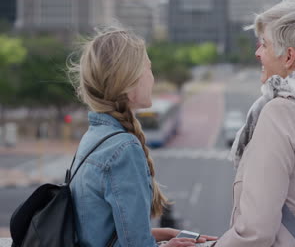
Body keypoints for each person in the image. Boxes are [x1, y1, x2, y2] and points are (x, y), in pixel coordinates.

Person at [67, 27, 217, 247]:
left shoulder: (94, 137)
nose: (152, 77)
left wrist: (157, 234)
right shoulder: (123, 148)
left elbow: (97, 232)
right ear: (129, 80)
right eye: (148, 68)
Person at [214, 0, 295, 247]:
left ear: (289, 57)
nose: (257, 53)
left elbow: (255, 234)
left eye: (265, 45)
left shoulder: (280, 113)